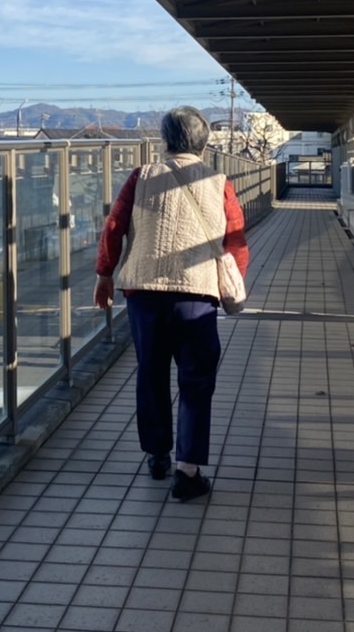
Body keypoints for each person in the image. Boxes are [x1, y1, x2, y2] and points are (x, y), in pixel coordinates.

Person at [94, 106, 249, 502]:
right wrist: (231, 283)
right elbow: (235, 240)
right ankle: (188, 471)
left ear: (164, 141)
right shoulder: (219, 183)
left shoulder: (141, 176)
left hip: (144, 296)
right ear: (204, 144)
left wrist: (105, 274)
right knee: (196, 380)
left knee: (151, 374)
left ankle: (158, 455)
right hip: (196, 297)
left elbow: (113, 227)